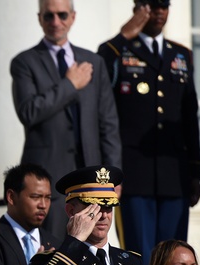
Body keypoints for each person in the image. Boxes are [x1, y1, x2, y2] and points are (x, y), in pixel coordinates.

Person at [97, 0, 200, 260]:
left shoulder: (181, 55)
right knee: (138, 255)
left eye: (164, 6)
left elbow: (190, 118)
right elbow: (100, 70)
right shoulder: (119, 49)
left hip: (174, 173)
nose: (159, 12)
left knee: (173, 257)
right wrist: (123, 35)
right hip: (134, 174)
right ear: (137, 8)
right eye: (152, 5)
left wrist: (195, 172)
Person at [10, 0, 121, 243]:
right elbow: (28, 111)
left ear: (72, 17)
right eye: (49, 16)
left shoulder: (93, 62)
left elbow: (108, 124)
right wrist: (69, 85)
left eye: (62, 15)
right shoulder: (25, 62)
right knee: (51, 249)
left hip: (91, 174)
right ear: (39, 18)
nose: (55, 22)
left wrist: (113, 175)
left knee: (91, 247)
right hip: (48, 176)